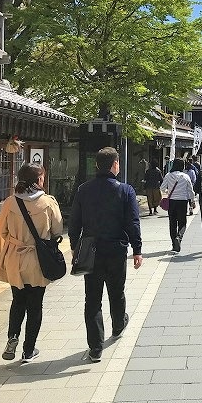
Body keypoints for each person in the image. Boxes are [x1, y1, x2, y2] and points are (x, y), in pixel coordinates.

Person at [69, 147, 143, 362]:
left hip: (90, 250)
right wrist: (137, 249)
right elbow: (132, 222)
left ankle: (95, 348)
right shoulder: (125, 191)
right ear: (115, 165)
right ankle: (118, 325)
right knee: (116, 291)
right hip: (116, 249)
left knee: (92, 299)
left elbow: (74, 221)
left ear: (96, 165)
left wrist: (74, 246)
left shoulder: (83, 190)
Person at [0, 163, 63, 363]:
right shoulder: (48, 202)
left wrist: (16, 240)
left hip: (15, 257)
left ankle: (12, 337)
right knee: (35, 304)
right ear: (38, 180)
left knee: (18, 300)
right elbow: (57, 230)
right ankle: (28, 350)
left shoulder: (10, 202)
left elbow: (2, 230)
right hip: (38, 259)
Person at [160, 158, 195, 251]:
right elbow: (190, 190)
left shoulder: (168, 175)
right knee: (182, 222)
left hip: (172, 201)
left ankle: (174, 244)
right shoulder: (185, 176)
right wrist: (192, 201)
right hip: (182, 201)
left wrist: (168, 191)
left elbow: (162, 188)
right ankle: (179, 237)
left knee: (172, 223)